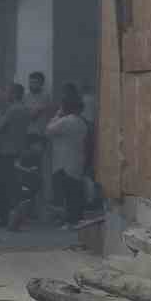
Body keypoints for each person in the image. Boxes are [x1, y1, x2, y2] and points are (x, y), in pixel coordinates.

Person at [0, 83, 33, 228]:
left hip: (6, 152)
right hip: (20, 150)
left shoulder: (10, 110)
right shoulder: (26, 110)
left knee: (5, 186)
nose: (6, 95)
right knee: (17, 185)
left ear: (14, 94)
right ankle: (19, 216)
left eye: (8, 92)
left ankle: (6, 218)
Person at [46, 94, 92, 229]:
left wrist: (57, 115)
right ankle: (76, 219)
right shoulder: (82, 122)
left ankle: (70, 220)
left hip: (63, 163)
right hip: (77, 160)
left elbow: (48, 130)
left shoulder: (65, 121)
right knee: (75, 193)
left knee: (67, 194)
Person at [25, 70, 54, 215]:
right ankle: (30, 208)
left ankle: (42, 207)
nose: (31, 84)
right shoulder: (26, 97)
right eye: (30, 81)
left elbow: (33, 115)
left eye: (35, 82)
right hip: (29, 138)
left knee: (42, 172)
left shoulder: (46, 98)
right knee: (30, 173)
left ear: (41, 83)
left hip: (41, 138)